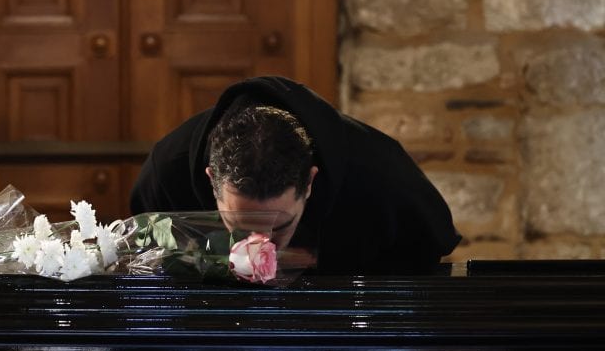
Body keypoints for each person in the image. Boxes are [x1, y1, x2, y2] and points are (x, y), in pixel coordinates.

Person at [130, 75, 460, 273]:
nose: (260, 246)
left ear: (310, 183)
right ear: (211, 181)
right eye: (242, 228)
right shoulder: (168, 169)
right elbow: (149, 259)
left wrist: (318, 258)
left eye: (280, 227)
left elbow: (425, 256)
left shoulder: (382, 177)